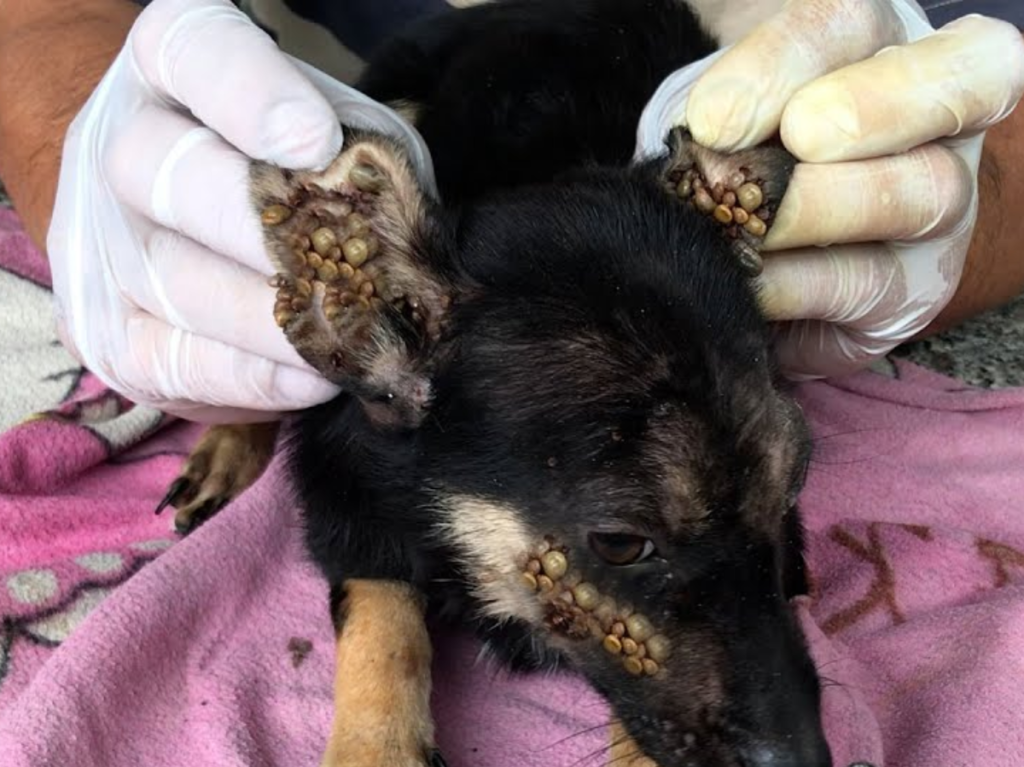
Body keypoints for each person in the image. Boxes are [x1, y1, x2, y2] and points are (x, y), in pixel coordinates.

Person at [0, 0, 1021, 420]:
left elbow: (996, 113)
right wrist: (84, 137)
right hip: (416, 85)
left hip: (688, 70)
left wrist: (937, 186)